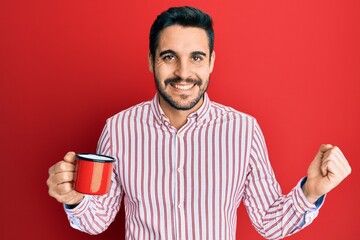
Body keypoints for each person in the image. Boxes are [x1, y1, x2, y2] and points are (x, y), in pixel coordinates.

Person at [47, 6, 351, 240]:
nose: (183, 72)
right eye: (169, 57)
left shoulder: (243, 131)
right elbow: (97, 220)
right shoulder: (118, 128)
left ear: (211, 62)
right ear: (151, 61)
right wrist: (74, 199)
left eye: (195, 57)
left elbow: (269, 223)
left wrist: (311, 191)